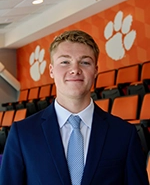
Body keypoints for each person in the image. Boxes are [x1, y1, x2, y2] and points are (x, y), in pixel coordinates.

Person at [0, 30, 149, 185]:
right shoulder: (22, 133)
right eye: (65, 62)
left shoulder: (124, 134)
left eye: (85, 62)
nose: (75, 69)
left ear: (96, 71)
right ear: (51, 70)